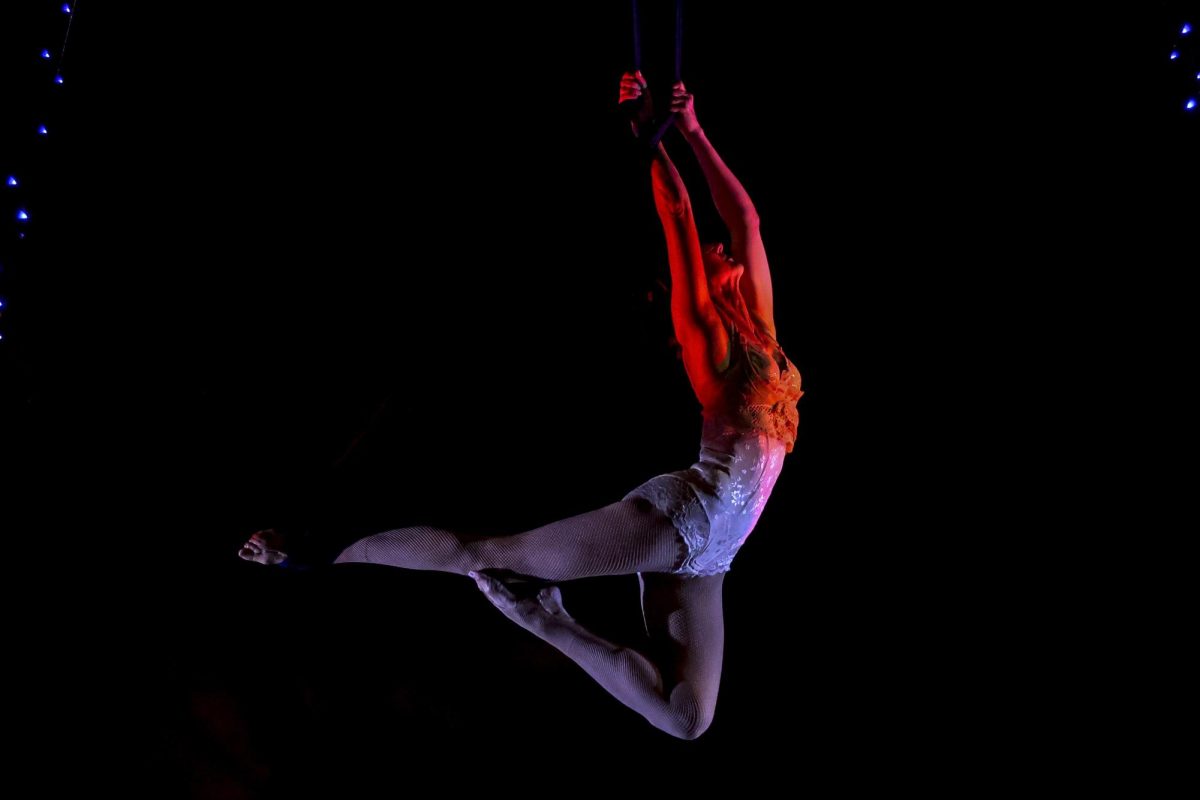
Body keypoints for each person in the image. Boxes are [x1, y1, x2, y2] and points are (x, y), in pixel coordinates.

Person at [238, 73, 802, 740]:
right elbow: (680, 215)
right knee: (488, 550)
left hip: (715, 553)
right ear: (704, 281)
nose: (727, 247)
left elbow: (747, 220)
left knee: (688, 717)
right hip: (683, 519)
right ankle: (312, 552)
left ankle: (550, 623)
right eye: (717, 254)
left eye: (727, 251)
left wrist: (694, 132)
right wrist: (643, 133)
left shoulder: (760, 328)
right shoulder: (707, 336)